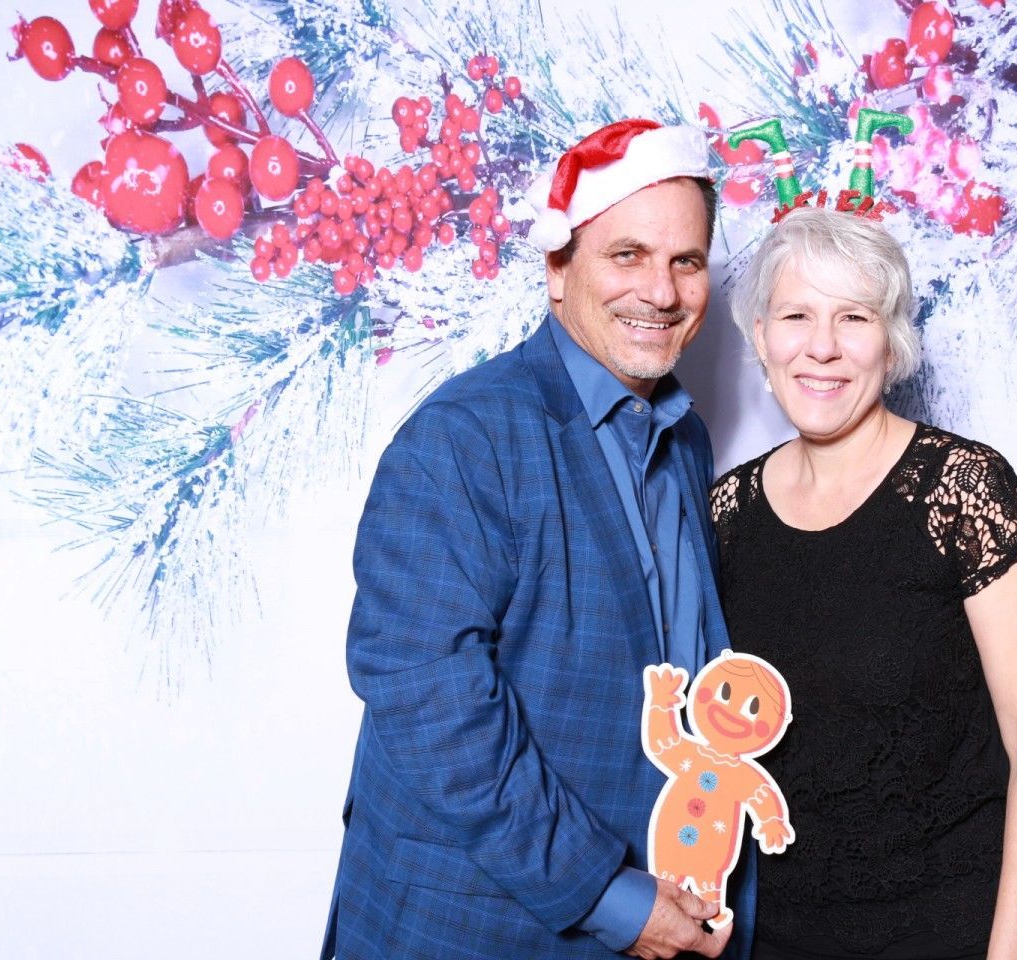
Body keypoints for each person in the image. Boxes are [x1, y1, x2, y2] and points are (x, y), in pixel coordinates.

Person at [321, 120, 751, 960]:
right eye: (627, 255)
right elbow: (431, 704)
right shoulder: (465, 437)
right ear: (557, 270)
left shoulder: (683, 437)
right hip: (470, 927)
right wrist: (608, 894)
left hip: (653, 907)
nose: (660, 293)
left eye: (686, 262)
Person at [710, 206, 1017, 960]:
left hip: (947, 929)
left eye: (853, 317)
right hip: (770, 936)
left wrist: (1012, 951)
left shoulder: (963, 491)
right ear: (761, 338)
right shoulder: (726, 511)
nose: (822, 346)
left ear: (891, 341)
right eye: (796, 315)